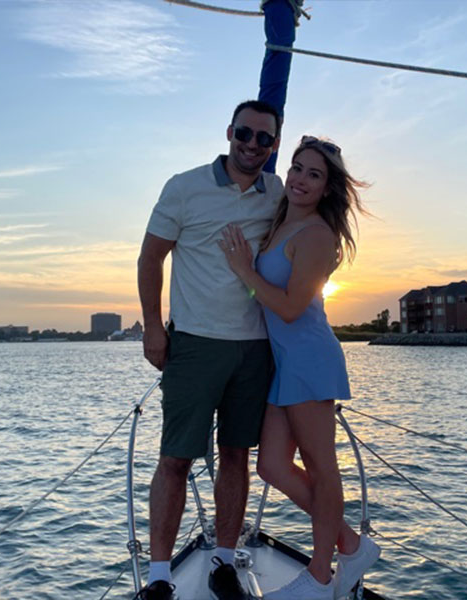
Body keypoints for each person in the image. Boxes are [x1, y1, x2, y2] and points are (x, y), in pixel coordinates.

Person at [218, 136, 381, 600]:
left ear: (328, 188)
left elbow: (290, 308)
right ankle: (351, 544)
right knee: (271, 465)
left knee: (321, 468)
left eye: (314, 174)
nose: (300, 179)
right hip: (285, 363)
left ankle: (321, 574)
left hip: (309, 359)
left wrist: (244, 270)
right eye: (296, 168)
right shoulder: (281, 223)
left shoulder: (316, 234)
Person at [136, 99, 283, 600]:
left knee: (236, 455)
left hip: (254, 347)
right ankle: (159, 576)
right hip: (195, 344)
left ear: (274, 144)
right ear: (229, 132)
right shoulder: (184, 186)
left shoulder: (276, 192)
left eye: (265, 138)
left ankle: (223, 562)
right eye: (245, 133)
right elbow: (151, 256)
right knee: (176, 459)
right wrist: (153, 328)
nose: (253, 145)